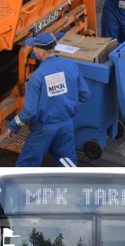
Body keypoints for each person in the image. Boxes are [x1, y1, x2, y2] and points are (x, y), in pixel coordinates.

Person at [6, 32, 91, 167]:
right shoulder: (71, 65)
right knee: (67, 165)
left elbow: (30, 111)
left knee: (26, 166)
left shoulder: (37, 76)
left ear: (40, 53)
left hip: (43, 129)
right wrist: (66, 107)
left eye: (34, 48)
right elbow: (85, 94)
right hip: (66, 125)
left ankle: (22, 188)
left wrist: (13, 126)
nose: (33, 50)